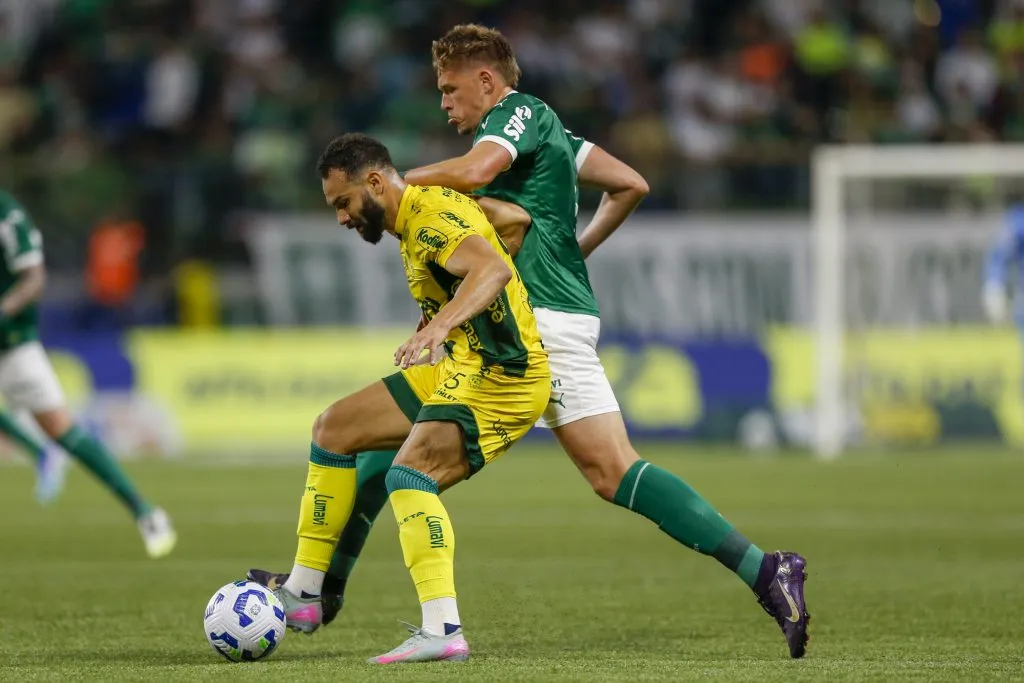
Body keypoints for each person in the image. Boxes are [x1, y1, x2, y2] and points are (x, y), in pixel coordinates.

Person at [252, 24, 811, 659]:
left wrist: (399, 183)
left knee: (410, 459)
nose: (445, 103)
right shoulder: (557, 141)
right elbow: (630, 183)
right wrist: (573, 252)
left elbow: (479, 170)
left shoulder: (521, 115)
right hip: (534, 314)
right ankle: (769, 573)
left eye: (451, 88)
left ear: (487, 82)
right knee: (398, 447)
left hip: (527, 328)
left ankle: (328, 594)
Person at [267, 132, 549, 664]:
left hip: (504, 375)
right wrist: (452, 302)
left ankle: (443, 630)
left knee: (408, 475)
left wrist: (441, 323)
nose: (343, 219)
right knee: (334, 427)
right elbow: (513, 223)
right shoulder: (413, 219)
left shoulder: (429, 215)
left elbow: (490, 267)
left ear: (375, 182)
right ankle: (304, 591)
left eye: (344, 203)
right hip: (464, 362)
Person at [0, 189, 176, 557]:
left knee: (60, 428)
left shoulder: (7, 215)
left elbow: (33, 278)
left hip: (12, 341)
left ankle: (145, 511)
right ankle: (40, 453)